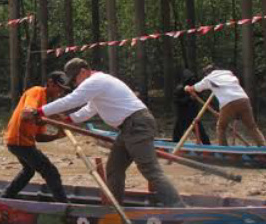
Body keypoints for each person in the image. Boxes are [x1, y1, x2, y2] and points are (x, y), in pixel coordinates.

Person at [24, 58, 183, 207]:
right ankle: (114, 208)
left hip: (137, 125)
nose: (75, 84)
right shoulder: (98, 84)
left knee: (149, 169)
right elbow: (89, 109)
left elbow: (72, 100)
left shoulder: (96, 81)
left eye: (74, 80)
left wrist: (39, 111)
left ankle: (179, 209)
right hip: (129, 127)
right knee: (114, 169)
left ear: (84, 71)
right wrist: (69, 120)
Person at [2, 72, 71, 203]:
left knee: (29, 171)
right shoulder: (37, 91)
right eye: (59, 88)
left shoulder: (45, 106)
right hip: (18, 141)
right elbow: (26, 114)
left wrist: (56, 136)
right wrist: (53, 118)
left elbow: (38, 137)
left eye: (63, 90)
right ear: (50, 83)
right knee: (50, 171)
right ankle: (64, 206)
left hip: (24, 143)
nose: (60, 92)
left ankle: (4, 199)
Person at [184, 65, 266, 147]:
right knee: (252, 126)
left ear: (207, 73)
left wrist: (187, 88)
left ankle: (223, 147)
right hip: (243, 99)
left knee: (221, 127)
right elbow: (234, 83)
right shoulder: (228, 74)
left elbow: (196, 88)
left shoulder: (209, 78)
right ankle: (263, 146)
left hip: (227, 102)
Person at [172, 70, 210, 144]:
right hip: (182, 115)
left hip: (193, 114)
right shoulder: (180, 89)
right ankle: (174, 145)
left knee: (201, 132)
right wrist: (189, 99)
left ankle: (208, 145)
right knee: (178, 132)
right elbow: (177, 101)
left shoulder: (194, 87)